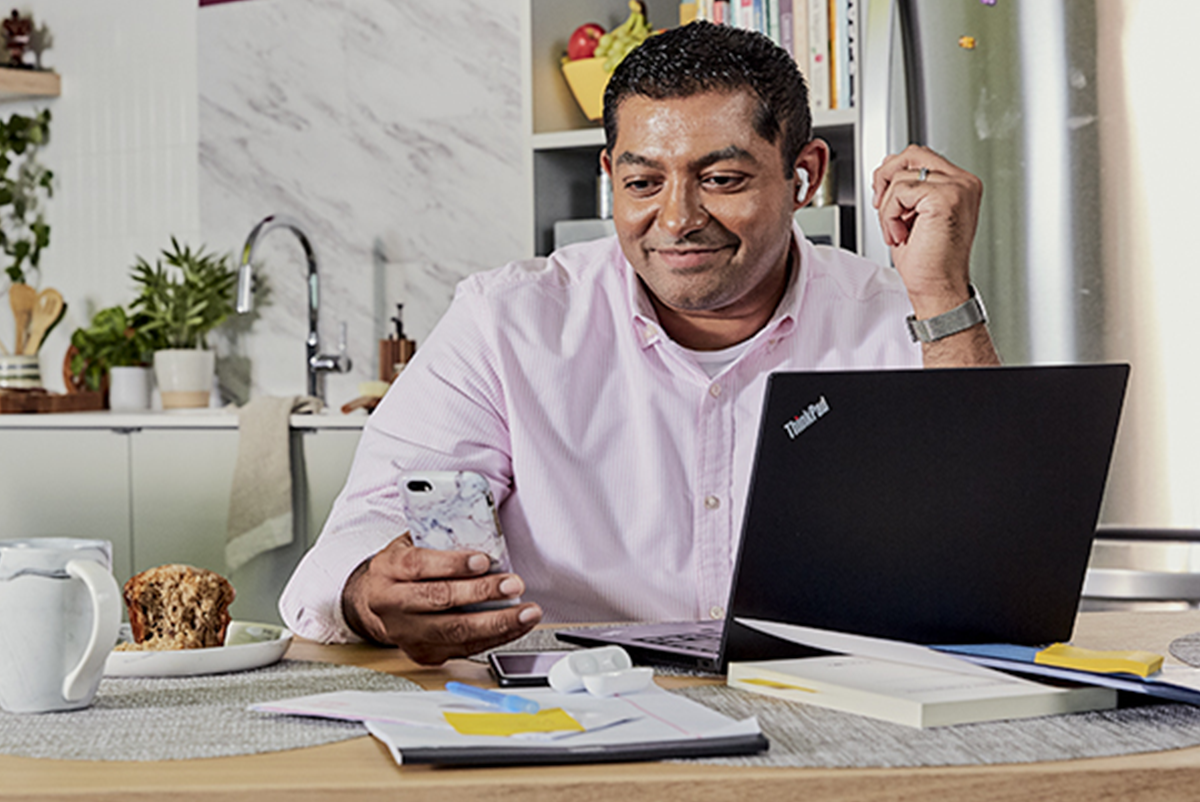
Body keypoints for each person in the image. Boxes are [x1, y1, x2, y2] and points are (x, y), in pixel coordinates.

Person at [279, 22, 999, 665]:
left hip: (838, 701)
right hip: (575, 716)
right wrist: (374, 592)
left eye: (721, 179)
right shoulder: (507, 322)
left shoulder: (900, 315)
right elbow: (358, 534)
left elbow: (989, 555)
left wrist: (940, 296)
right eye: (643, 181)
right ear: (609, 179)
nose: (677, 218)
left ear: (803, 174)